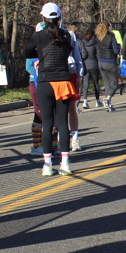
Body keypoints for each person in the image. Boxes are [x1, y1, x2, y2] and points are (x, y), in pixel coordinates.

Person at [26, 13, 77, 177]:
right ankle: (65, 163)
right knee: (62, 122)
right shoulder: (67, 35)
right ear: (59, 18)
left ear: (43, 19)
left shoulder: (38, 35)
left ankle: (47, 164)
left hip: (45, 82)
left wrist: (39, 52)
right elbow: (68, 51)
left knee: (47, 124)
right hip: (62, 81)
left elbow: (27, 52)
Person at [94, 22, 120, 112]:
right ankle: (108, 98)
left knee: (107, 84)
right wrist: (119, 49)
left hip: (101, 61)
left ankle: (108, 104)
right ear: (108, 28)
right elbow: (116, 51)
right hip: (110, 61)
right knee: (114, 84)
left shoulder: (98, 37)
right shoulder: (111, 37)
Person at [79, 25, 100, 109]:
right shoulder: (95, 43)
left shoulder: (83, 42)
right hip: (94, 64)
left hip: (85, 65)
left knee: (86, 84)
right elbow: (98, 54)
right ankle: (97, 101)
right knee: (96, 83)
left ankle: (85, 101)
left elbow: (83, 54)